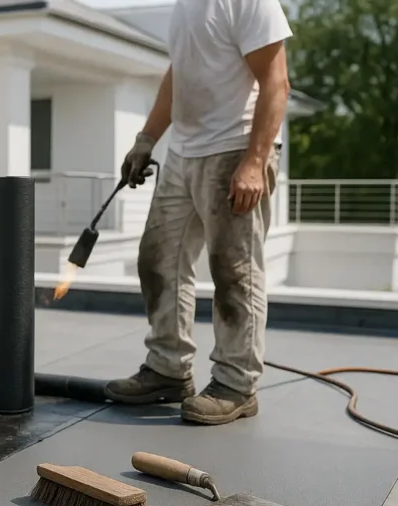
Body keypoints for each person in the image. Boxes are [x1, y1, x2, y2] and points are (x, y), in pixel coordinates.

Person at [105, 0, 293, 425]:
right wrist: (145, 138)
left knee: (234, 271)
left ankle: (236, 383)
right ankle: (168, 369)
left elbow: (277, 82)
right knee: (158, 260)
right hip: (183, 154)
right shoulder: (186, 6)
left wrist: (253, 162)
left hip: (234, 149)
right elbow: (180, 75)